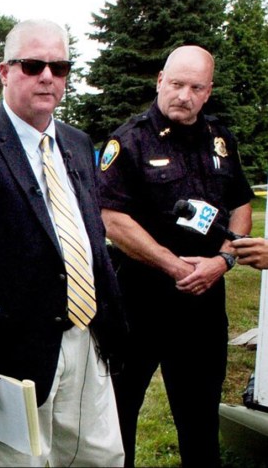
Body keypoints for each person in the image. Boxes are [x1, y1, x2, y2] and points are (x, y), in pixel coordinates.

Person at [0, 19, 126, 467]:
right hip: (4, 360)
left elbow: (90, 237)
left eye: (60, 66)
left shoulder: (76, 143)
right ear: (4, 71)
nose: (48, 77)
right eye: (33, 65)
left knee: (102, 458)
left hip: (84, 341)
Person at [98, 45, 254, 467]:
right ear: (160, 82)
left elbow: (241, 205)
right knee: (118, 416)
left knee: (200, 419)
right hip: (138, 302)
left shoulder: (221, 140)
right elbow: (112, 218)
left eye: (195, 87)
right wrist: (174, 265)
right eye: (177, 84)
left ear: (208, 92)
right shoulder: (127, 140)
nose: (184, 95)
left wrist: (222, 261)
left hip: (203, 303)